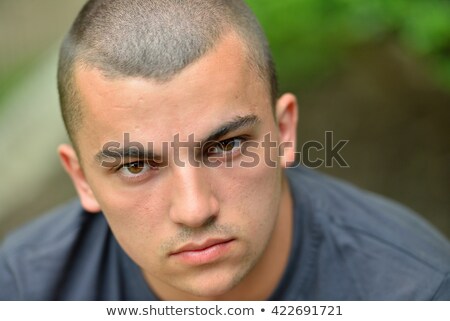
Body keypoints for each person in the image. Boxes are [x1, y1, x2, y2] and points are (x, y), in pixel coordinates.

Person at [1, 0, 449, 301]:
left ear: (285, 132)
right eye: (137, 165)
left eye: (228, 146)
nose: (195, 210)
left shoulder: (415, 293)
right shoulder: (22, 291)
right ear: (81, 179)